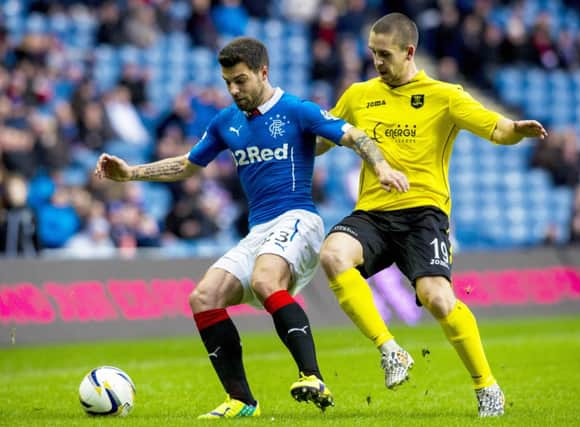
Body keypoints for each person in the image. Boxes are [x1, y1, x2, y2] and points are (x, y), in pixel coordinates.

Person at [95, 37, 408, 419]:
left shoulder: (296, 110)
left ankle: (312, 376)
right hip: (259, 230)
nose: (233, 89)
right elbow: (189, 165)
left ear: (263, 72)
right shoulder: (226, 122)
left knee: (264, 279)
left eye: (241, 80)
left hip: (299, 219)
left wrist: (382, 167)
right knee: (203, 298)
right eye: (227, 81)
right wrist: (130, 174)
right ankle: (242, 401)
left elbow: (353, 135)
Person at [317, 13, 548, 418]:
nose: (377, 62)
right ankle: (390, 351)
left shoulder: (445, 95)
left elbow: (497, 129)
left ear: (409, 51)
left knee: (437, 300)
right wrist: (297, 143)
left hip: (424, 215)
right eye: (372, 53)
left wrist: (518, 130)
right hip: (371, 212)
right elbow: (328, 138)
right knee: (333, 254)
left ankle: (486, 386)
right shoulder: (358, 94)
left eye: (385, 54)